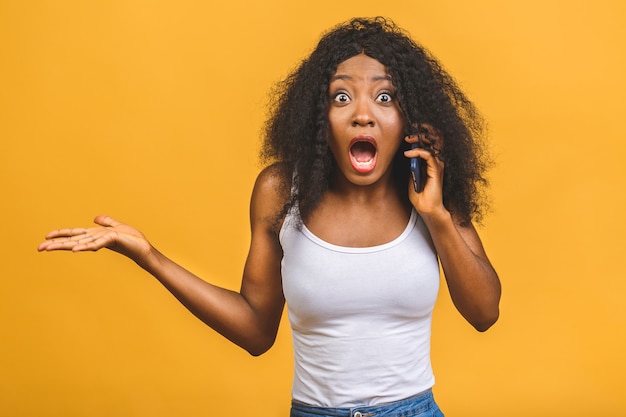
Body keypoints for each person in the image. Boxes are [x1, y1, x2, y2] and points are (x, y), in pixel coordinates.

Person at [38, 17, 501, 417]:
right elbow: (257, 330)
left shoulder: (428, 186)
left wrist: (436, 215)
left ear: (409, 117)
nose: (363, 114)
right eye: (342, 98)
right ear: (318, 117)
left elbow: (484, 312)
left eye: (385, 98)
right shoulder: (281, 192)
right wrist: (150, 257)